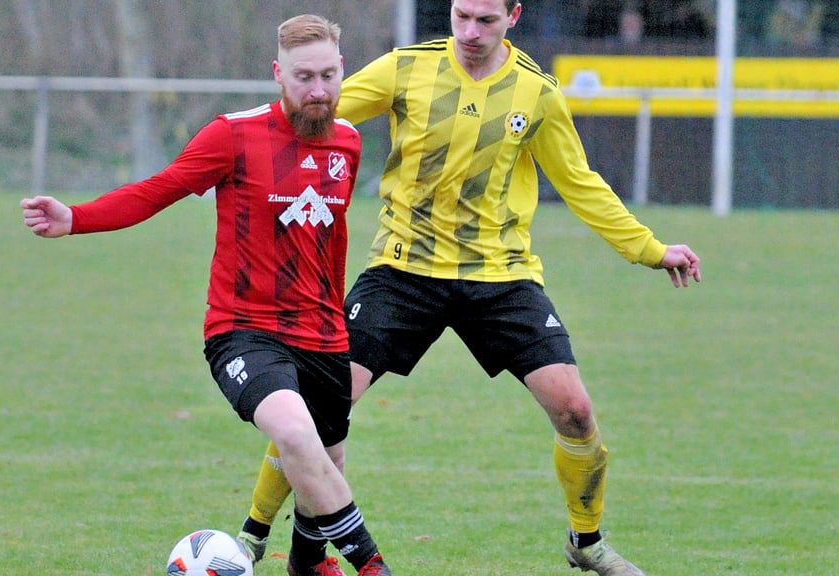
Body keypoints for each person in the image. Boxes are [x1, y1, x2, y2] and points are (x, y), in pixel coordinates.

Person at [236, 1, 702, 575]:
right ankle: (253, 538)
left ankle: (588, 544)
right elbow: (315, 112)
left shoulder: (536, 94)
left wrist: (649, 250)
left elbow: (580, 182)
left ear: (514, 16)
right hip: (403, 270)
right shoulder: (406, 69)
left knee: (576, 411)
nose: (470, 32)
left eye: (485, 20)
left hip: (500, 276)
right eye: (461, 16)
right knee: (315, 410)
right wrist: (238, 152)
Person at [19, 14, 391, 576]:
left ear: (343, 71)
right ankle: (372, 565)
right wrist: (77, 218)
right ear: (278, 74)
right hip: (244, 331)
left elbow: (330, 245)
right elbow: (159, 189)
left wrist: (336, 329)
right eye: (304, 76)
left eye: (328, 75)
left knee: (325, 461)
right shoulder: (234, 135)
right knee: (293, 432)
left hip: (322, 335)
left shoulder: (348, 142)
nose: (318, 90)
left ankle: (307, 564)